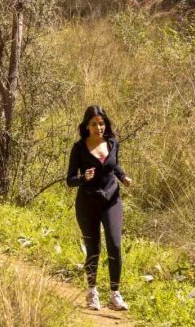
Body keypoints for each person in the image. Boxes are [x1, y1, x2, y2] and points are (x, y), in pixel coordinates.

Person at [66, 105, 134, 311]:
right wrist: (82, 178)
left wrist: (123, 177)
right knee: (93, 248)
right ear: (87, 126)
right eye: (94, 124)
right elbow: (69, 180)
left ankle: (115, 294)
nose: (99, 127)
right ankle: (92, 292)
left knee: (114, 244)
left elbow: (114, 165)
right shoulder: (78, 149)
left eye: (102, 123)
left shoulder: (112, 143)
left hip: (111, 200)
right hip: (88, 202)